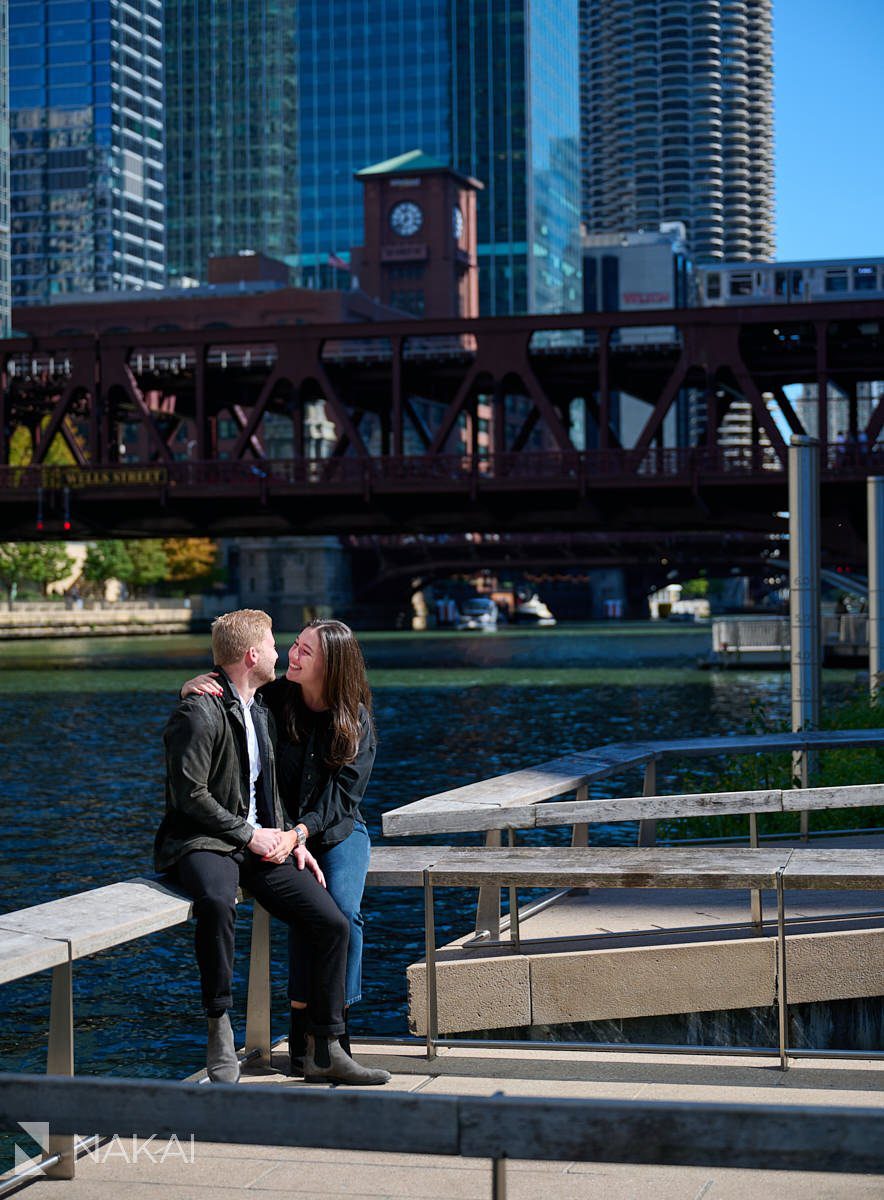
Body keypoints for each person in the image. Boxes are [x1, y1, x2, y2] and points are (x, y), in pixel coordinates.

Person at [156, 609, 389, 1086]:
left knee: (340, 914)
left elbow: (340, 801)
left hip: (334, 828)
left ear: (332, 665)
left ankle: (326, 1040)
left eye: (305, 649)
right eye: (290, 645)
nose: (291, 652)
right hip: (262, 834)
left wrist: (296, 837)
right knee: (238, 904)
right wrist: (188, 686)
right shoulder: (273, 698)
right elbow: (225, 700)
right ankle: (269, 1036)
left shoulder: (356, 722)